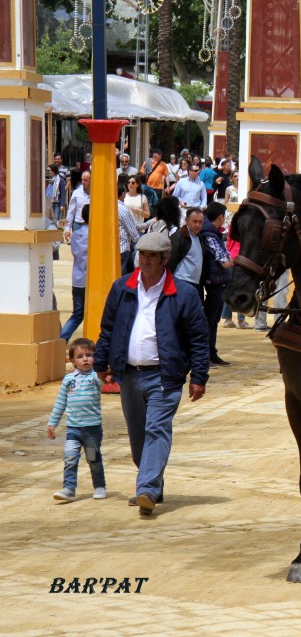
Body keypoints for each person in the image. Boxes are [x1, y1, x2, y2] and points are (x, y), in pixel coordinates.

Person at [93, 231, 209, 516]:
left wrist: (199, 376)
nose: (144, 260)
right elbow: (108, 329)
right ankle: (153, 483)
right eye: (141, 254)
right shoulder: (121, 288)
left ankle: (145, 489)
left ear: (165, 258)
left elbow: (198, 338)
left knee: (157, 430)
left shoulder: (184, 293)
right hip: (129, 375)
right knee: (138, 442)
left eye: (151, 256)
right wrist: (101, 363)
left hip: (165, 376)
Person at [47, 337, 106, 502]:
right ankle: (69, 489)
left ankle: (99, 486)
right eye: (80, 356)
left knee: (93, 458)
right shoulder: (68, 380)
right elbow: (60, 403)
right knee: (70, 457)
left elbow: (103, 381)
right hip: (73, 429)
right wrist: (53, 423)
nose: (85, 359)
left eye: (89, 355)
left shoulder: (95, 377)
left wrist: (106, 371)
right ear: (72, 360)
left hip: (92, 430)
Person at [198, 203, 235, 366]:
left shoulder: (211, 233)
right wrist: (231, 262)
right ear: (220, 217)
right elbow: (223, 260)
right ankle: (206, 354)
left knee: (213, 319)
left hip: (216, 280)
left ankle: (211, 353)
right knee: (210, 319)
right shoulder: (210, 234)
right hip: (215, 280)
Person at [60, 203, 89, 341]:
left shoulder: (76, 234)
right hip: (89, 279)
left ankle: (61, 340)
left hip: (77, 278)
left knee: (77, 314)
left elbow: (75, 252)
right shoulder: (96, 235)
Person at [117, 181, 141, 276]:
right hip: (123, 249)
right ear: (123, 194)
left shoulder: (109, 207)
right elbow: (134, 234)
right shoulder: (123, 210)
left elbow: (136, 225)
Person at [64, 169, 90, 241]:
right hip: (78, 225)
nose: (83, 182)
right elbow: (71, 211)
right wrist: (68, 229)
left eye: (85, 180)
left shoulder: (96, 193)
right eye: (82, 180)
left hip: (92, 225)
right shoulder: (76, 193)